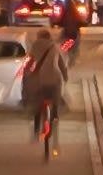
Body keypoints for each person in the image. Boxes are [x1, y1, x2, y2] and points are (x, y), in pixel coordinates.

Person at [24, 26, 73, 154]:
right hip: (55, 81)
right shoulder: (55, 47)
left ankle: (36, 132)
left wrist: (28, 73)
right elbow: (62, 65)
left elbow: (29, 63)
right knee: (55, 105)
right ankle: (54, 124)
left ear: (39, 37)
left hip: (40, 81)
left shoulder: (35, 46)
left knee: (37, 105)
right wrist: (65, 77)